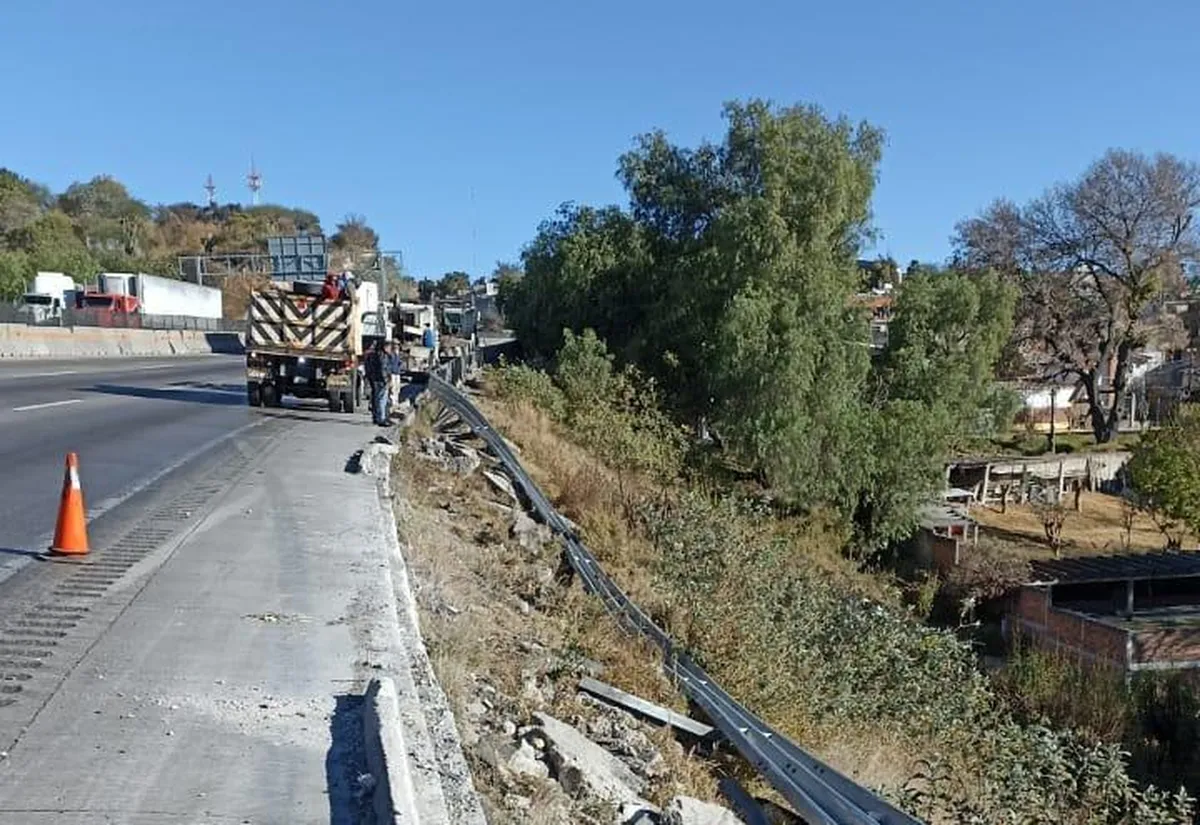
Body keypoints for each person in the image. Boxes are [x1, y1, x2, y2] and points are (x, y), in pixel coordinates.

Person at [365, 340, 388, 426]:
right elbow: (383, 369)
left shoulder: (372, 355)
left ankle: (376, 417)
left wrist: (369, 377)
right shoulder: (382, 355)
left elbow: (368, 368)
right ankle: (381, 419)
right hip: (380, 380)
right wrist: (386, 380)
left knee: (376, 398)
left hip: (374, 379)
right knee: (382, 399)